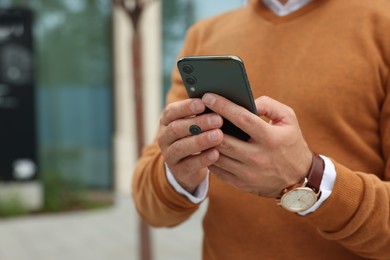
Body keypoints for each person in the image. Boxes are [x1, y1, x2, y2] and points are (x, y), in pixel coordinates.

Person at [132, 0, 390, 259]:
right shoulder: (204, 35)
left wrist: (308, 176)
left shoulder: (382, 23)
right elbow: (150, 209)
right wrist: (179, 173)